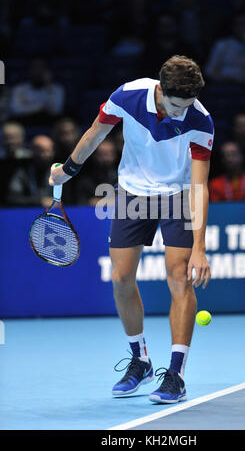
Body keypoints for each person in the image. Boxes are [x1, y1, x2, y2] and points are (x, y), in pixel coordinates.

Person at [49, 55, 214, 404]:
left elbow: (200, 186)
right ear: (160, 90)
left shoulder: (200, 120)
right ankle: (140, 359)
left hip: (178, 195)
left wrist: (199, 246)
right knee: (121, 278)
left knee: (179, 276)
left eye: (186, 106)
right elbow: (96, 131)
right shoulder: (127, 96)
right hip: (132, 193)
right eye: (174, 105)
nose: (179, 112)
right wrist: (68, 169)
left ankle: (176, 374)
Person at [205, 12, 245, 84]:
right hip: (225, 86)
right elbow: (209, 71)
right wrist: (225, 80)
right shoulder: (222, 44)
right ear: (233, 26)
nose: (243, 28)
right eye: (239, 24)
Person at [9, 58, 65, 126]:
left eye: (41, 68)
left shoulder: (57, 89)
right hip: (25, 124)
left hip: (49, 124)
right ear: (29, 70)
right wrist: (41, 108)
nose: (38, 71)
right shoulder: (19, 89)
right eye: (35, 68)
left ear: (47, 70)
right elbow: (16, 110)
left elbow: (56, 110)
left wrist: (48, 86)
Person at [5, 134, 55, 207]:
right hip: (27, 214)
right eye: (41, 151)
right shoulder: (22, 173)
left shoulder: (59, 172)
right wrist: (39, 201)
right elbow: (12, 198)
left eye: (48, 151)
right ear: (33, 151)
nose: (45, 155)